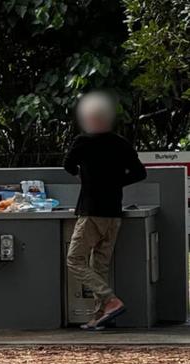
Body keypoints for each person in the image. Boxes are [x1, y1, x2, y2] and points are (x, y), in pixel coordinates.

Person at [63, 91, 147, 331]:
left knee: (75, 259)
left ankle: (110, 300)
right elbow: (141, 173)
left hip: (91, 212)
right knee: (99, 264)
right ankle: (100, 316)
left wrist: (88, 179)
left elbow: (68, 165)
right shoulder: (121, 143)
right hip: (114, 213)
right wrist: (115, 183)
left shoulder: (83, 142)